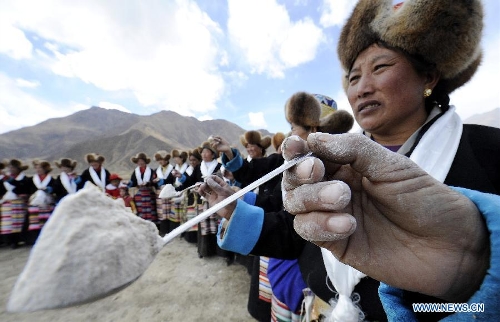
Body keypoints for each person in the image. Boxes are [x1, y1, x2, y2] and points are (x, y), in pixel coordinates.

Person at [201, 0, 500, 321]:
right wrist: (235, 211)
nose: (361, 88)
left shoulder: (489, 152)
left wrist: (474, 273)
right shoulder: (331, 160)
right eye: (353, 77)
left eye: (380, 68)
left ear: (428, 76)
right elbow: (300, 229)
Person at [211, 93, 355, 322]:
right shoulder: (288, 162)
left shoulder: (334, 169)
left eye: (294, 127)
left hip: (304, 267)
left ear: (314, 127)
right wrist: (234, 202)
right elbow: (267, 192)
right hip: (277, 243)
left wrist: (236, 210)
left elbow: (294, 224)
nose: (290, 133)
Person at [175, 141, 222, 258]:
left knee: (216, 225)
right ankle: (204, 251)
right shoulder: (198, 168)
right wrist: (181, 177)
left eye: (207, 152)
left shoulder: (219, 167)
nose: (204, 154)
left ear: (213, 154)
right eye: (202, 152)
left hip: (216, 200)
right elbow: (190, 181)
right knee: (203, 225)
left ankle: (218, 251)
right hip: (202, 200)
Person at [0, 159, 31, 249]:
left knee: (18, 222)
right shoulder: (6, 179)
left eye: (13, 167)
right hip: (8, 202)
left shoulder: (24, 179)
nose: (11, 169)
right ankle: (10, 240)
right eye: (10, 167)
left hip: (19, 202)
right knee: (9, 223)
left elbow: (23, 190)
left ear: (18, 168)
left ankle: (17, 240)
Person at [26, 160, 55, 245]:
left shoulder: (51, 179)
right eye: (37, 168)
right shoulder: (32, 180)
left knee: (46, 221)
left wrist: (49, 190)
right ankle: (34, 238)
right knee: (35, 221)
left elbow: (55, 188)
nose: (38, 169)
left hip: (47, 203)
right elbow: (29, 189)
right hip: (35, 202)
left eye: (40, 168)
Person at [128, 152, 157, 223]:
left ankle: (151, 223)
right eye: (138, 161)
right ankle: (142, 223)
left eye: (142, 161)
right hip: (139, 193)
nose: (140, 162)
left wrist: (149, 183)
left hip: (149, 193)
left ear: (145, 161)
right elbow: (133, 182)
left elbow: (154, 180)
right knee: (140, 209)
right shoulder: (135, 172)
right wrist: (129, 184)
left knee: (150, 209)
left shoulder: (151, 171)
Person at [153, 150, 174, 236]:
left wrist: (163, 181)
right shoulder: (157, 170)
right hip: (159, 192)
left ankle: (169, 230)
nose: (161, 161)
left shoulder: (172, 169)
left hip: (168, 191)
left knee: (168, 211)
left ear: (166, 159)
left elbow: (172, 180)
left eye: (162, 159)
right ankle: (163, 229)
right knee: (161, 211)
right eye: (159, 160)